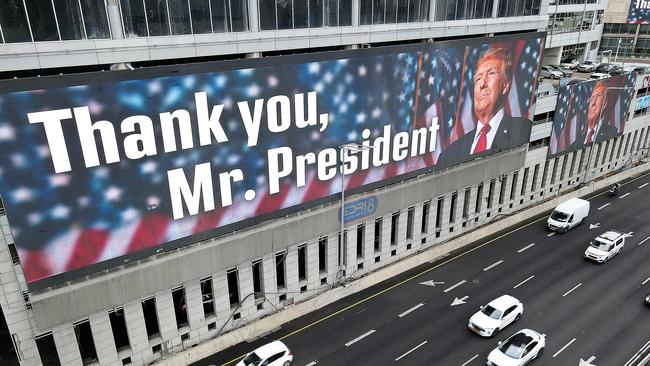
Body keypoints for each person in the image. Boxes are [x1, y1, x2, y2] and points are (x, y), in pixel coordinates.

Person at [436, 48, 531, 169]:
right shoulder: (449, 155)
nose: (482, 84)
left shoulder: (523, 129)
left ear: (506, 85)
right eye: (478, 78)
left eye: (491, 73)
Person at [570, 80, 619, 150]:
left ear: (605, 103)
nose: (593, 102)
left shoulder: (611, 131)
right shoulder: (575, 143)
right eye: (592, 98)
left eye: (598, 96)